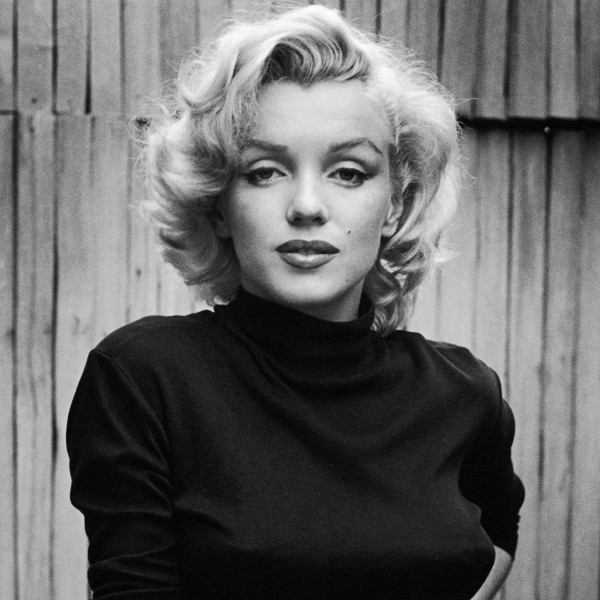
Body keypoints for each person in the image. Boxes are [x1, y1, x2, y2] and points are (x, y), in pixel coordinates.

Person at [67, 5, 524, 599]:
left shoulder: (465, 391)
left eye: (349, 172)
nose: (307, 206)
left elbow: (499, 530)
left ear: (395, 204)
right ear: (217, 205)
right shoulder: (145, 377)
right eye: (264, 172)